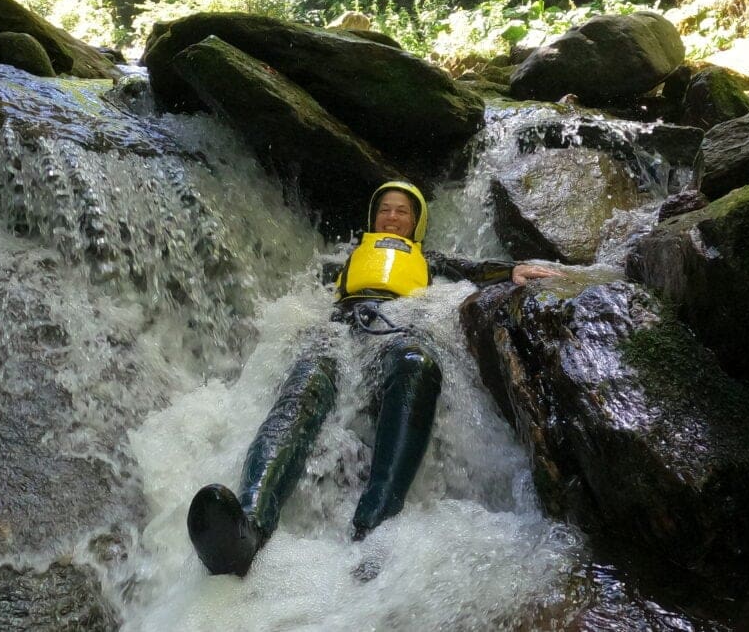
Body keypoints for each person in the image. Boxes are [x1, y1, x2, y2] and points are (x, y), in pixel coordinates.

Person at [187, 181, 563, 576]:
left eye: (402, 211)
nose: (392, 216)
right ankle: (249, 527)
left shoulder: (428, 257)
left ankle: (375, 526)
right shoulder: (348, 258)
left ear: (415, 223)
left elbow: (472, 269)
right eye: (385, 209)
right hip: (340, 328)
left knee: (416, 363)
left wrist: (511, 270)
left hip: (398, 324)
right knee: (304, 388)